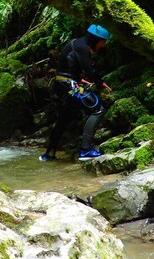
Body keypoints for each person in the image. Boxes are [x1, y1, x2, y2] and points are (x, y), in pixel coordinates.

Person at [41, 24, 113, 162]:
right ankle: (85, 151)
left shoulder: (76, 43)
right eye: (103, 42)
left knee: (64, 118)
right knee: (97, 109)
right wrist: (100, 82)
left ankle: (48, 155)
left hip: (62, 84)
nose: (103, 46)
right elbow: (90, 71)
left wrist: (80, 79)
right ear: (96, 40)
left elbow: (69, 65)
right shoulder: (82, 47)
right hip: (68, 85)